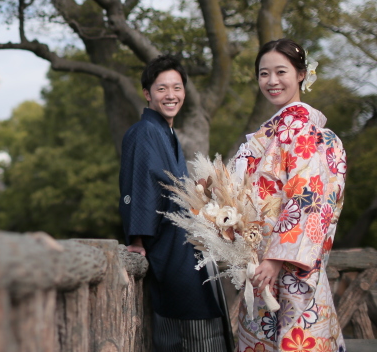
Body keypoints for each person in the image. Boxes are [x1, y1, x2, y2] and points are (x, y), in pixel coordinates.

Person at [234, 39, 347, 351]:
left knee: (291, 339)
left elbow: (307, 198)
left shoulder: (300, 128)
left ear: (301, 74)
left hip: (285, 265)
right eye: (263, 73)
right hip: (263, 266)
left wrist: (273, 259)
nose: (271, 81)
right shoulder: (274, 129)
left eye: (280, 71)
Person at [119, 55, 231, 352]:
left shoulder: (167, 133)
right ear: (147, 93)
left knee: (196, 326)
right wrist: (137, 238)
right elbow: (138, 184)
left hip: (185, 247)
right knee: (189, 330)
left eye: (177, 88)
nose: (171, 95)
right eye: (161, 89)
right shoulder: (144, 132)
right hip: (170, 250)